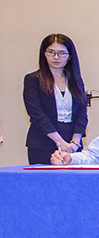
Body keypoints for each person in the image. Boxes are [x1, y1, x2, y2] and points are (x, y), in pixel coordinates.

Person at [23, 34, 88, 165]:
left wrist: (75, 143)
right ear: (44, 54)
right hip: (43, 143)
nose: (56, 57)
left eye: (61, 53)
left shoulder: (76, 81)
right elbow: (36, 115)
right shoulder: (33, 80)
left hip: (72, 145)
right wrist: (60, 143)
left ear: (69, 56)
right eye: (51, 52)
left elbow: (82, 114)